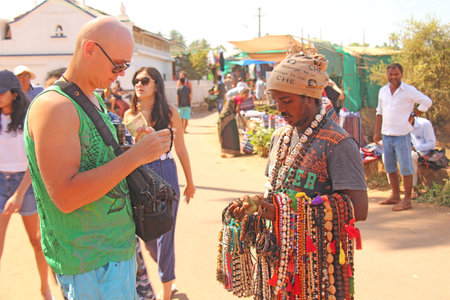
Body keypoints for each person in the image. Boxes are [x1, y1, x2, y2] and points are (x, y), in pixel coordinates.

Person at [24, 16, 172, 299]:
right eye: (117, 64)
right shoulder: (55, 107)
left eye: (125, 66)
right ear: (90, 49)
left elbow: (100, 166)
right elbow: (66, 197)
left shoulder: (91, 99)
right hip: (89, 263)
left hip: (113, 254)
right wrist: (136, 156)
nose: (120, 74)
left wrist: (138, 148)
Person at [229, 53, 368, 299]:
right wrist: (255, 205)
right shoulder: (279, 137)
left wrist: (283, 213)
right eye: (276, 101)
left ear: (312, 97)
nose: (280, 109)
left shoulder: (339, 143)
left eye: (287, 101)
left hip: (320, 269)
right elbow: (275, 192)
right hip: (277, 261)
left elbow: (358, 209)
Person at [123, 67, 195, 300]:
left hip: (166, 170)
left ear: (156, 85)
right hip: (140, 173)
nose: (139, 84)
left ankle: (166, 290)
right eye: (136, 80)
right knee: (147, 236)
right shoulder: (129, 116)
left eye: (145, 80)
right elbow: (128, 151)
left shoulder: (170, 112)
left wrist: (190, 182)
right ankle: (167, 275)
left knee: (167, 235)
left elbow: (181, 149)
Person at [0, 70, 52, 300]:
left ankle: (45, 287)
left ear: (13, 94)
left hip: (27, 183)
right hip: (1, 182)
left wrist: (20, 192)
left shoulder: (29, 116)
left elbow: (36, 159)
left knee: (38, 241)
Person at [374, 63, 432, 211]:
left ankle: (407, 200)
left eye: (396, 74)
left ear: (401, 74)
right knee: (390, 166)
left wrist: (414, 114)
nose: (393, 77)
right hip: (387, 135)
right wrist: (376, 132)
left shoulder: (408, 90)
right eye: (391, 74)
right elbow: (379, 112)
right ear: (387, 75)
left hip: (402, 135)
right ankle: (394, 195)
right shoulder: (383, 91)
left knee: (406, 168)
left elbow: (427, 102)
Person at [217, 88, 249, 157]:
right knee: (233, 133)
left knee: (227, 133)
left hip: (225, 117)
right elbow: (237, 110)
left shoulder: (237, 97)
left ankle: (226, 151)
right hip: (228, 117)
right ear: (243, 94)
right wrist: (243, 122)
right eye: (246, 95)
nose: (247, 97)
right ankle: (234, 152)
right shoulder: (240, 99)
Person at [411, 116, 436, 186]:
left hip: (425, 151)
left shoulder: (425, 124)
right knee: (387, 155)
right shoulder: (401, 124)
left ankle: (412, 187)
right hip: (411, 150)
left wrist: (414, 148)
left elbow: (432, 144)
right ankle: (394, 186)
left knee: (411, 156)